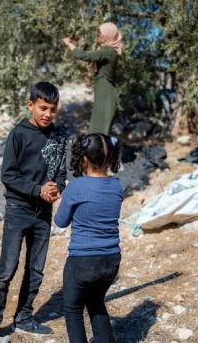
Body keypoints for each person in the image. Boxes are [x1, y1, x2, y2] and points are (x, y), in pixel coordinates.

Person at [0, 82, 68, 342]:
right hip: (18, 209)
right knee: (7, 269)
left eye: (53, 109)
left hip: (43, 212)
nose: (47, 114)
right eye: (43, 108)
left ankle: (24, 317)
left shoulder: (59, 137)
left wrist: (57, 188)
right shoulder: (18, 134)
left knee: (37, 268)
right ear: (30, 105)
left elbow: (61, 172)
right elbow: (8, 175)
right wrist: (36, 189)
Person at [54, 133, 123, 343]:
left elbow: (60, 221)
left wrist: (63, 198)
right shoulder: (117, 186)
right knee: (95, 302)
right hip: (111, 260)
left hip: (83, 261)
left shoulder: (75, 187)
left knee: (73, 309)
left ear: (83, 159)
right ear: (109, 157)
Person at [62, 22, 123, 135]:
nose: (97, 35)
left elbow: (85, 56)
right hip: (104, 92)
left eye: (100, 33)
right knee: (99, 130)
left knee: (99, 131)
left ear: (108, 35)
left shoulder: (107, 51)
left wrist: (69, 44)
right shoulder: (108, 51)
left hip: (106, 94)